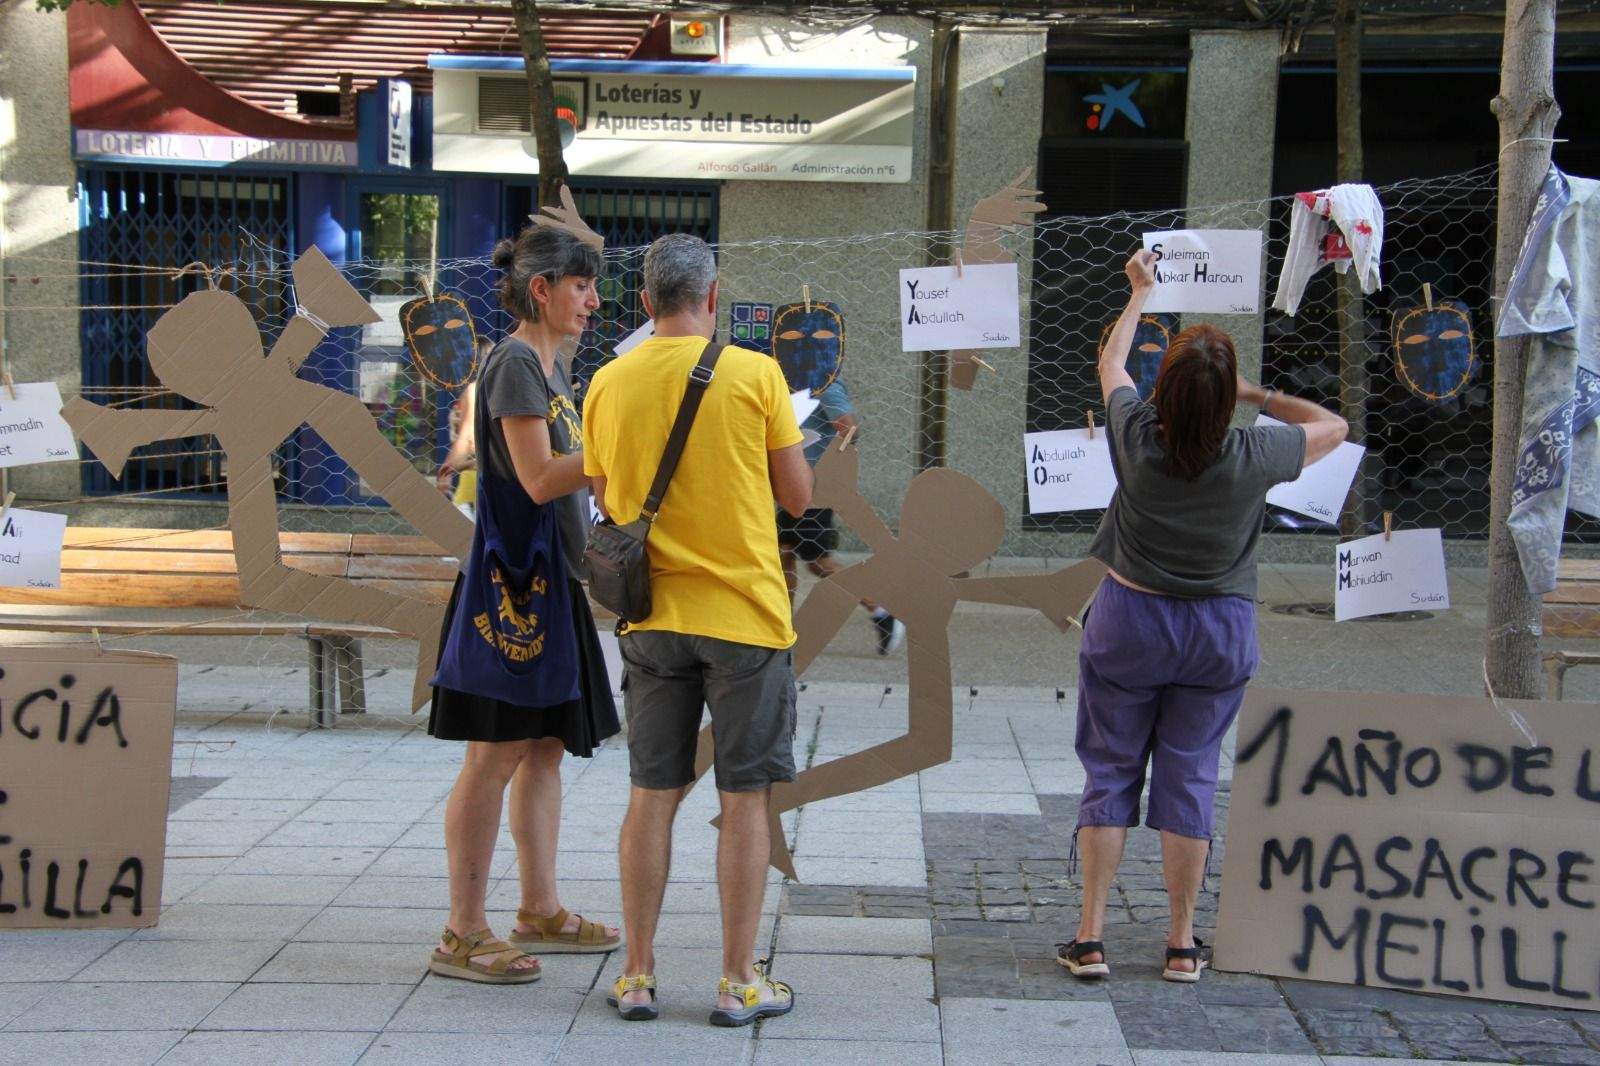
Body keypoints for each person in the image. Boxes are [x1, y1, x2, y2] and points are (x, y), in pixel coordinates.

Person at [1058, 250, 1348, 984]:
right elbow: (1335, 426)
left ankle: (1090, 936)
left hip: (1129, 620)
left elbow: (1112, 362)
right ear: (1223, 403)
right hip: (1218, 631)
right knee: (1189, 777)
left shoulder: (1135, 435)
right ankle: (1182, 943)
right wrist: (1256, 393)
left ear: (1163, 390)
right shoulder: (1256, 451)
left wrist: (1139, 293)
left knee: (1110, 772)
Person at [583, 233, 811, 1026]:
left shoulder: (607, 381)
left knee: (652, 795)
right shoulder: (756, 373)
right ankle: (738, 980)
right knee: (746, 799)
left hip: (651, 617)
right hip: (745, 617)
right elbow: (797, 497)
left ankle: (637, 975)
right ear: (714, 297)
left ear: (646, 302)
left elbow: (606, 497)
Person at [426, 224, 622, 984]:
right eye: (581, 286)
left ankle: (539, 908)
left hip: (547, 584)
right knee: (495, 756)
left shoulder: (546, 364)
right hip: (514, 592)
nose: (593, 301)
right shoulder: (514, 362)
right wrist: (622, 453)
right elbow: (539, 479)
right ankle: (463, 931)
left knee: (543, 748)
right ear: (541, 290)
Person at [780, 379, 905, 655]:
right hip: (788, 481)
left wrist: (831, 469)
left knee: (818, 561)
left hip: (813, 485)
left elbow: (849, 427)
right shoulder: (787, 376)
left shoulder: (823, 379)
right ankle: (779, 630)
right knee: (781, 554)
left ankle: (881, 608)